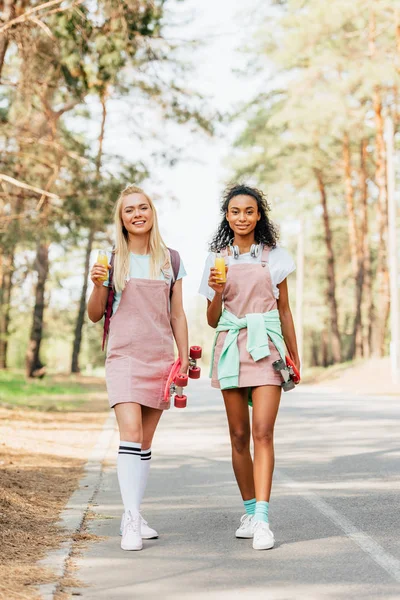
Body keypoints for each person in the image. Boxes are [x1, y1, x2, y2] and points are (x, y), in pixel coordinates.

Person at [198, 184, 300, 551]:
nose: (242, 217)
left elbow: (284, 309)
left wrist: (294, 355)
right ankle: (248, 510)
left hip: (268, 346)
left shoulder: (276, 257)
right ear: (227, 217)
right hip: (230, 348)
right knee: (239, 436)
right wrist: (218, 290)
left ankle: (263, 519)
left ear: (259, 216)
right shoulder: (216, 260)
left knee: (263, 433)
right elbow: (212, 319)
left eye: (249, 211)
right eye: (235, 212)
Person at [88, 184, 188, 551]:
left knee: (144, 441)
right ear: (122, 219)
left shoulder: (171, 260)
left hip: (160, 358)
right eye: (129, 210)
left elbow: (177, 314)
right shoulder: (112, 260)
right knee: (129, 433)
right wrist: (97, 284)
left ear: (152, 213)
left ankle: (135, 512)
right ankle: (130, 520)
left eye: (142, 207)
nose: (137, 214)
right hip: (124, 356)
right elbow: (96, 313)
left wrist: (183, 358)